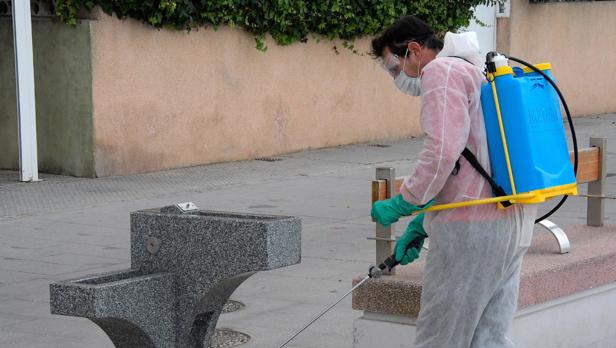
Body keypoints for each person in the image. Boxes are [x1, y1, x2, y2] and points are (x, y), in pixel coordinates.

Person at [370, 15, 537, 348]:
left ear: (414, 50)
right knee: (489, 337)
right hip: (511, 222)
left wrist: (407, 200)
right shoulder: (476, 71)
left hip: (472, 233)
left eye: (394, 67)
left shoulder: (440, 72)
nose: (397, 78)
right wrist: (424, 221)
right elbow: (475, 158)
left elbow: (443, 150)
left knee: (441, 336)